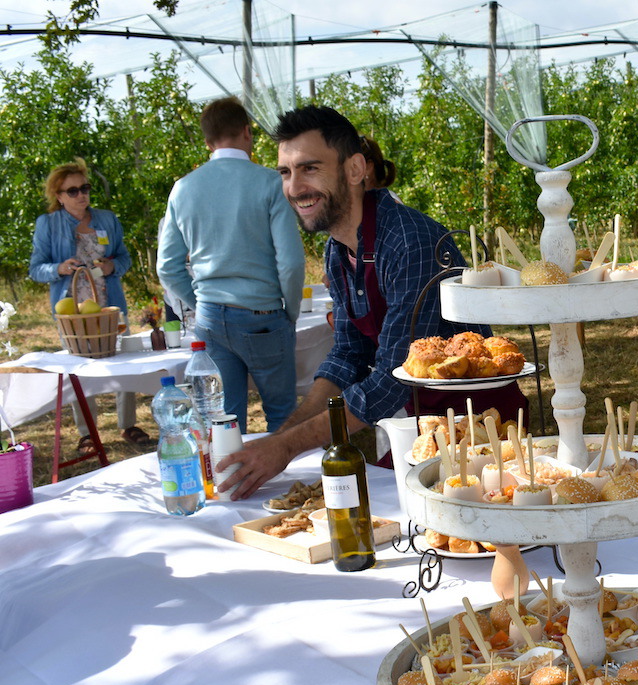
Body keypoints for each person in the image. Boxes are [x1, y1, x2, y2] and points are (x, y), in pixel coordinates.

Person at [218, 105, 524, 500]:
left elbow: (392, 381)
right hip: (427, 427)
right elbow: (347, 356)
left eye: (310, 168)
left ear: (355, 169)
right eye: (285, 172)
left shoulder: (409, 242)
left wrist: (286, 447)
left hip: (482, 428)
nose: (294, 187)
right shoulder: (337, 250)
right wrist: (278, 439)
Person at [158, 96, 306, 433]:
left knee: (223, 421)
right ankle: (290, 470)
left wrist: (201, 304)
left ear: (207, 141)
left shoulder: (183, 189)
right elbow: (291, 262)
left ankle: (229, 470)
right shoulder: (271, 182)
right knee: (282, 416)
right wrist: (291, 310)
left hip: (210, 319)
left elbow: (167, 268)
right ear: (247, 131)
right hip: (263, 314)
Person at [28, 158, 150, 448]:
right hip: (72, 309)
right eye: (73, 191)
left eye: (85, 188)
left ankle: (128, 425)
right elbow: (36, 269)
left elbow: (124, 257)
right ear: (58, 196)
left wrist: (112, 266)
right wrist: (59, 268)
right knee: (78, 368)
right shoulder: (48, 224)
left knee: (123, 360)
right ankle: (87, 432)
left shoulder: (107, 219)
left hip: (109, 303)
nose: (82, 195)